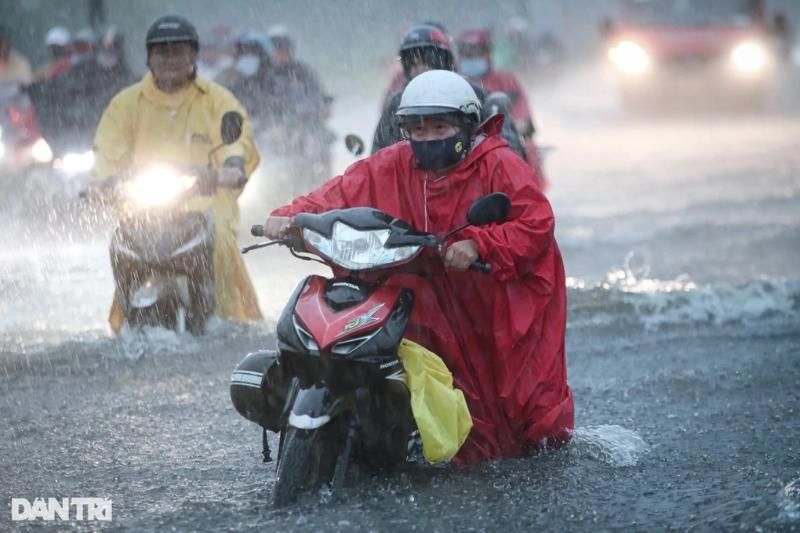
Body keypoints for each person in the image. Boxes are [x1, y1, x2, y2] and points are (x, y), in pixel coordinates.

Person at [261, 70, 573, 464]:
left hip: (486, 299)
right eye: (417, 129)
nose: (427, 139)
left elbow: (536, 223)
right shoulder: (392, 163)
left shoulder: (499, 165)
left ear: (465, 125)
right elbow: (337, 193)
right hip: (422, 293)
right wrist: (291, 215)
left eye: (440, 127)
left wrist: (479, 244)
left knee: (511, 416)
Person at [91, 15, 263, 333]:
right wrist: (100, 183)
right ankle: (125, 323)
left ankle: (224, 323)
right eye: (162, 51)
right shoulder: (125, 104)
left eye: (178, 51)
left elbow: (237, 140)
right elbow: (106, 153)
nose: (170, 59)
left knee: (222, 242)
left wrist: (233, 167)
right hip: (143, 208)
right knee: (122, 244)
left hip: (206, 204)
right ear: (149, 57)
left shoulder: (217, 99)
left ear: (193, 55)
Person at [456, 28, 547, 190]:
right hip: (463, 144)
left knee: (528, 149)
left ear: (488, 54)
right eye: (467, 54)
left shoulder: (506, 80)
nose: (472, 58)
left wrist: (512, 129)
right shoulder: (452, 82)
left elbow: (523, 119)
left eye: (477, 53)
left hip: (505, 139)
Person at [216, 32, 274, 126]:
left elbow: (276, 107)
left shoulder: (271, 79)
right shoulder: (227, 76)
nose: (248, 57)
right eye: (244, 53)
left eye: (253, 53)